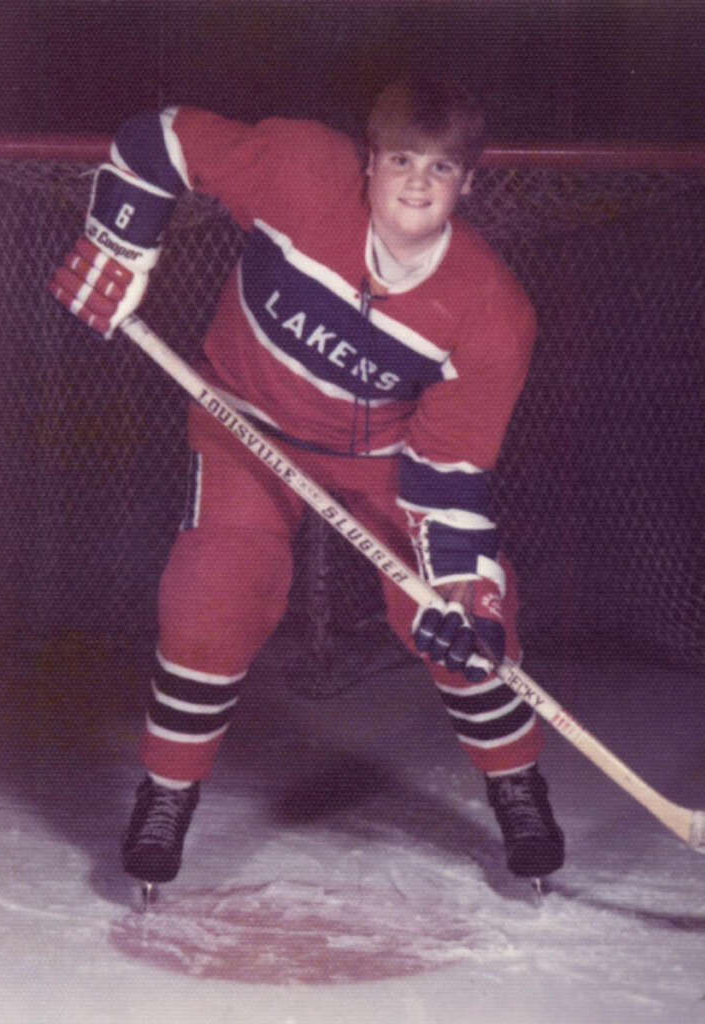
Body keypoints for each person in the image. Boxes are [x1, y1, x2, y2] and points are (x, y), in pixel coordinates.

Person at [49, 76, 564, 888]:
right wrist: (119, 247)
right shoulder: (298, 170)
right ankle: (167, 792)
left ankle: (517, 785)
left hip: (389, 464)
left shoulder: (494, 313)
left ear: (468, 181)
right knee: (212, 594)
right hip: (245, 423)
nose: (417, 183)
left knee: (460, 632)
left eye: (440, 168)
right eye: (402, 160)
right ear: (368, 162)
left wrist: (472, 595)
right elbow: (163, 139)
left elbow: (450, 476)